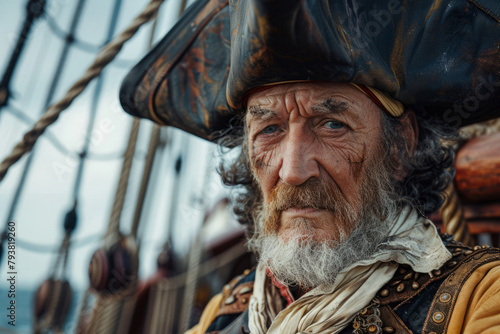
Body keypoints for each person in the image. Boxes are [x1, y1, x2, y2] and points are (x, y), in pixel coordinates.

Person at [120, 0, 500, 333]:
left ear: (402, 145)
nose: (293, 171)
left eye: (332, 124)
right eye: (269, 129)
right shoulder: (225, 313)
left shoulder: (480, 298)